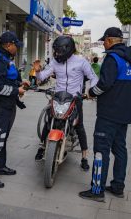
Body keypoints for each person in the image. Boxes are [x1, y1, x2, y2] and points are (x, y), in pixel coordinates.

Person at [78, 27, 131, 202]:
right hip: (125, 113)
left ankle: (97, 190)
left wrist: (90, 93)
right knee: (120, 149)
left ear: (111, 40)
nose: (103, 43)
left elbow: (104, 84)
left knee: (101, 150)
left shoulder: (112, 58)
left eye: (104, 40)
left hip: (109, 113)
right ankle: (118, 186)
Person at [34, 35, 98, 171]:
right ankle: (42, 146)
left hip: (75, 99)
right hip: (58, 98)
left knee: (79, 126)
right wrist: (38, 71)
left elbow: (93, 77)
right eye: (55, 51)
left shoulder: (81, 62)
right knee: (49, 121)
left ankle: (84, 157)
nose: (56, 54)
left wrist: (90, 93)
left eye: (59, 51)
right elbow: (42, 77)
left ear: (68, 50)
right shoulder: (55, 62)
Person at [0, 31, 29, 188]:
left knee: (2, 137)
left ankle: (0, 166)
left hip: (6, 106)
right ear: (9, 45)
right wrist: (17, 91)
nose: (17, 48)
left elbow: (8, 79)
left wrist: (21, 83)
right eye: (16, 45)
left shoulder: (6, 58)